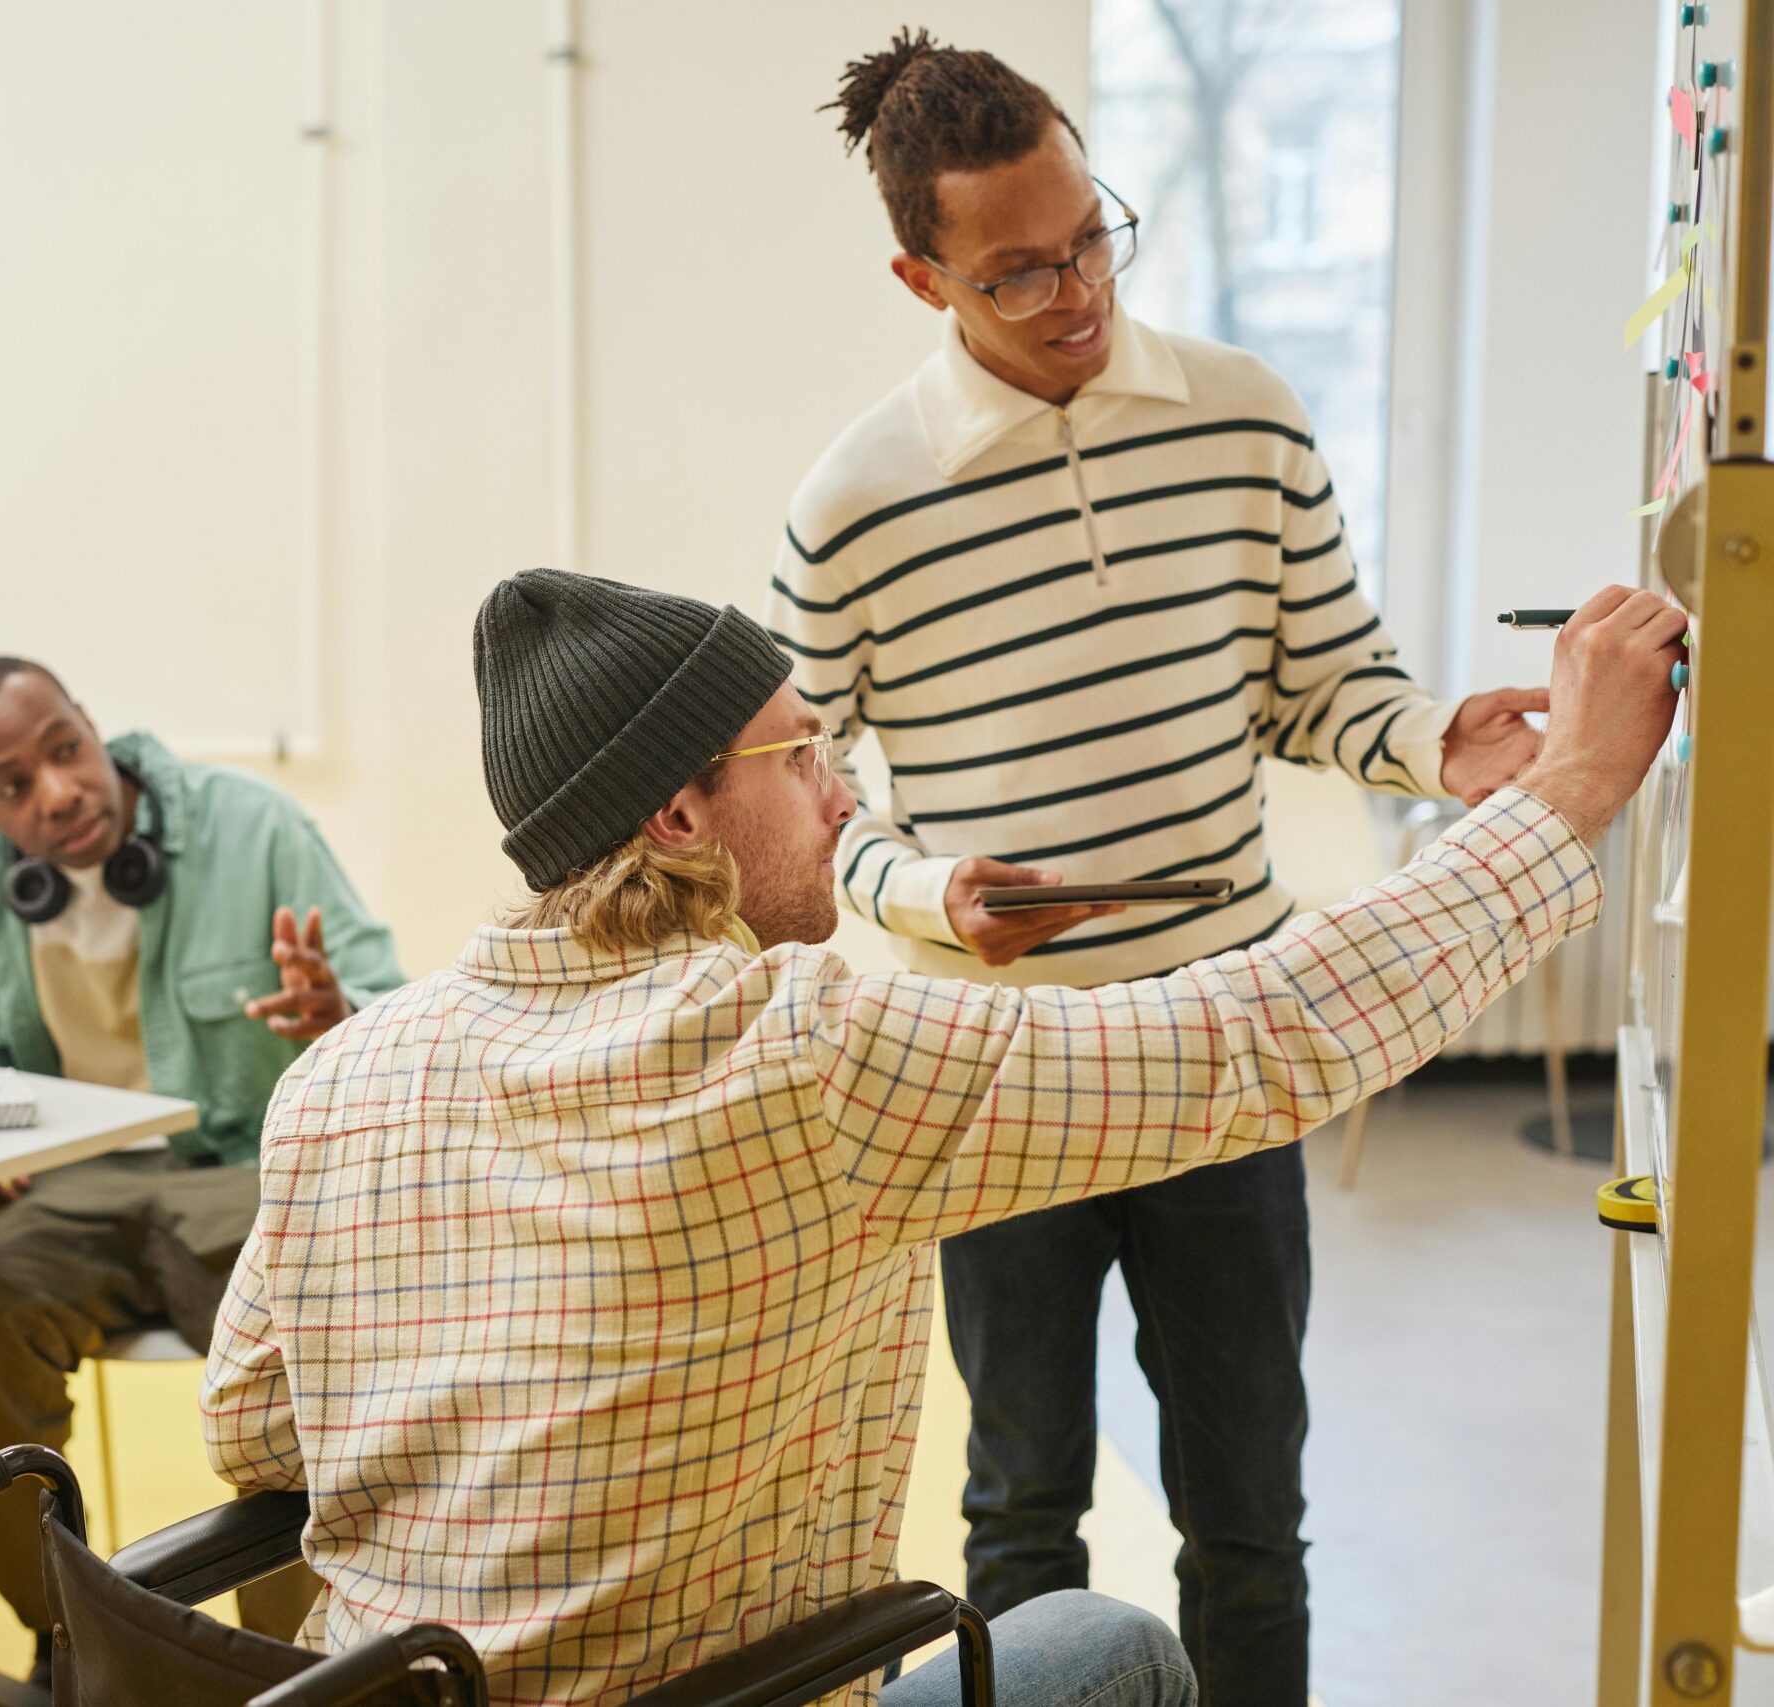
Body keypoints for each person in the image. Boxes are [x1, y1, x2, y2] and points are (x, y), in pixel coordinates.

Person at [202, 569, 1680, 1707]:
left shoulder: (350, 1068)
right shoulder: (796, 1050)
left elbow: (251, 1430)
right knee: (1103, 1643)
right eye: (802, 754)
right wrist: (1575, 784)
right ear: (676, 813)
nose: (843, 793)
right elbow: (1256, 1035)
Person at [761, 33, 1551, 1700]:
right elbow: (804, 807)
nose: (1073, 291)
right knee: (1022, 1512)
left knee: (1251, 1512)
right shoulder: (853, 501)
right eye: (1017, 269)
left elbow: (1324, 685)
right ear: (924, 275)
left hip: (1229, 1045)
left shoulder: (1248, 418)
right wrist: (934, 893)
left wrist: (1435, 744)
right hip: (1003, 1067)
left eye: (1092, 236)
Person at [0, 656, 403, 1675]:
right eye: (12, 785)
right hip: (68, 1181)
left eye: (65, 750)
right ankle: (71, 1637)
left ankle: (298, 1666)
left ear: (93, 727)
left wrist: (337, 1013)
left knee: (319, 1345)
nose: (57, 792)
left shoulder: (254, 824)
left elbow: (388, 1001)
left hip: (237, 1172)